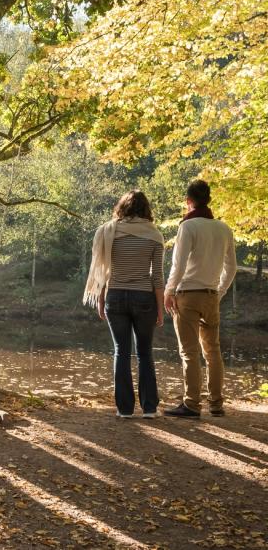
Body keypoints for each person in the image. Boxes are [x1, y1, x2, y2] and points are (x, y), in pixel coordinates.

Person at [84, 190, 165, 418]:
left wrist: (101, 299)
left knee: (121, 351)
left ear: (122, 207)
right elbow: (157, 277)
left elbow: (102, 273)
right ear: (146, 209)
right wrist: (160, 309)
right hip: (144, 298)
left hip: (116, 297)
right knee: (145, 353)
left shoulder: (109, 231)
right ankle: (149, 408)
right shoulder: (154, 235)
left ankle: (125, 409)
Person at [164, 179, 237, 418]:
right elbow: (232, 267)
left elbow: (179, 264)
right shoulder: (224, 228)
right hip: (211, 296)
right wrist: (220, 291)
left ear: (188, 201)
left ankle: (192, 404)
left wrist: (169, 291)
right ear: (208, 199)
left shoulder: (188, 227)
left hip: (188, 296)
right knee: (213, 351)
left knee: (189, 352)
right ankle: (216, 404)